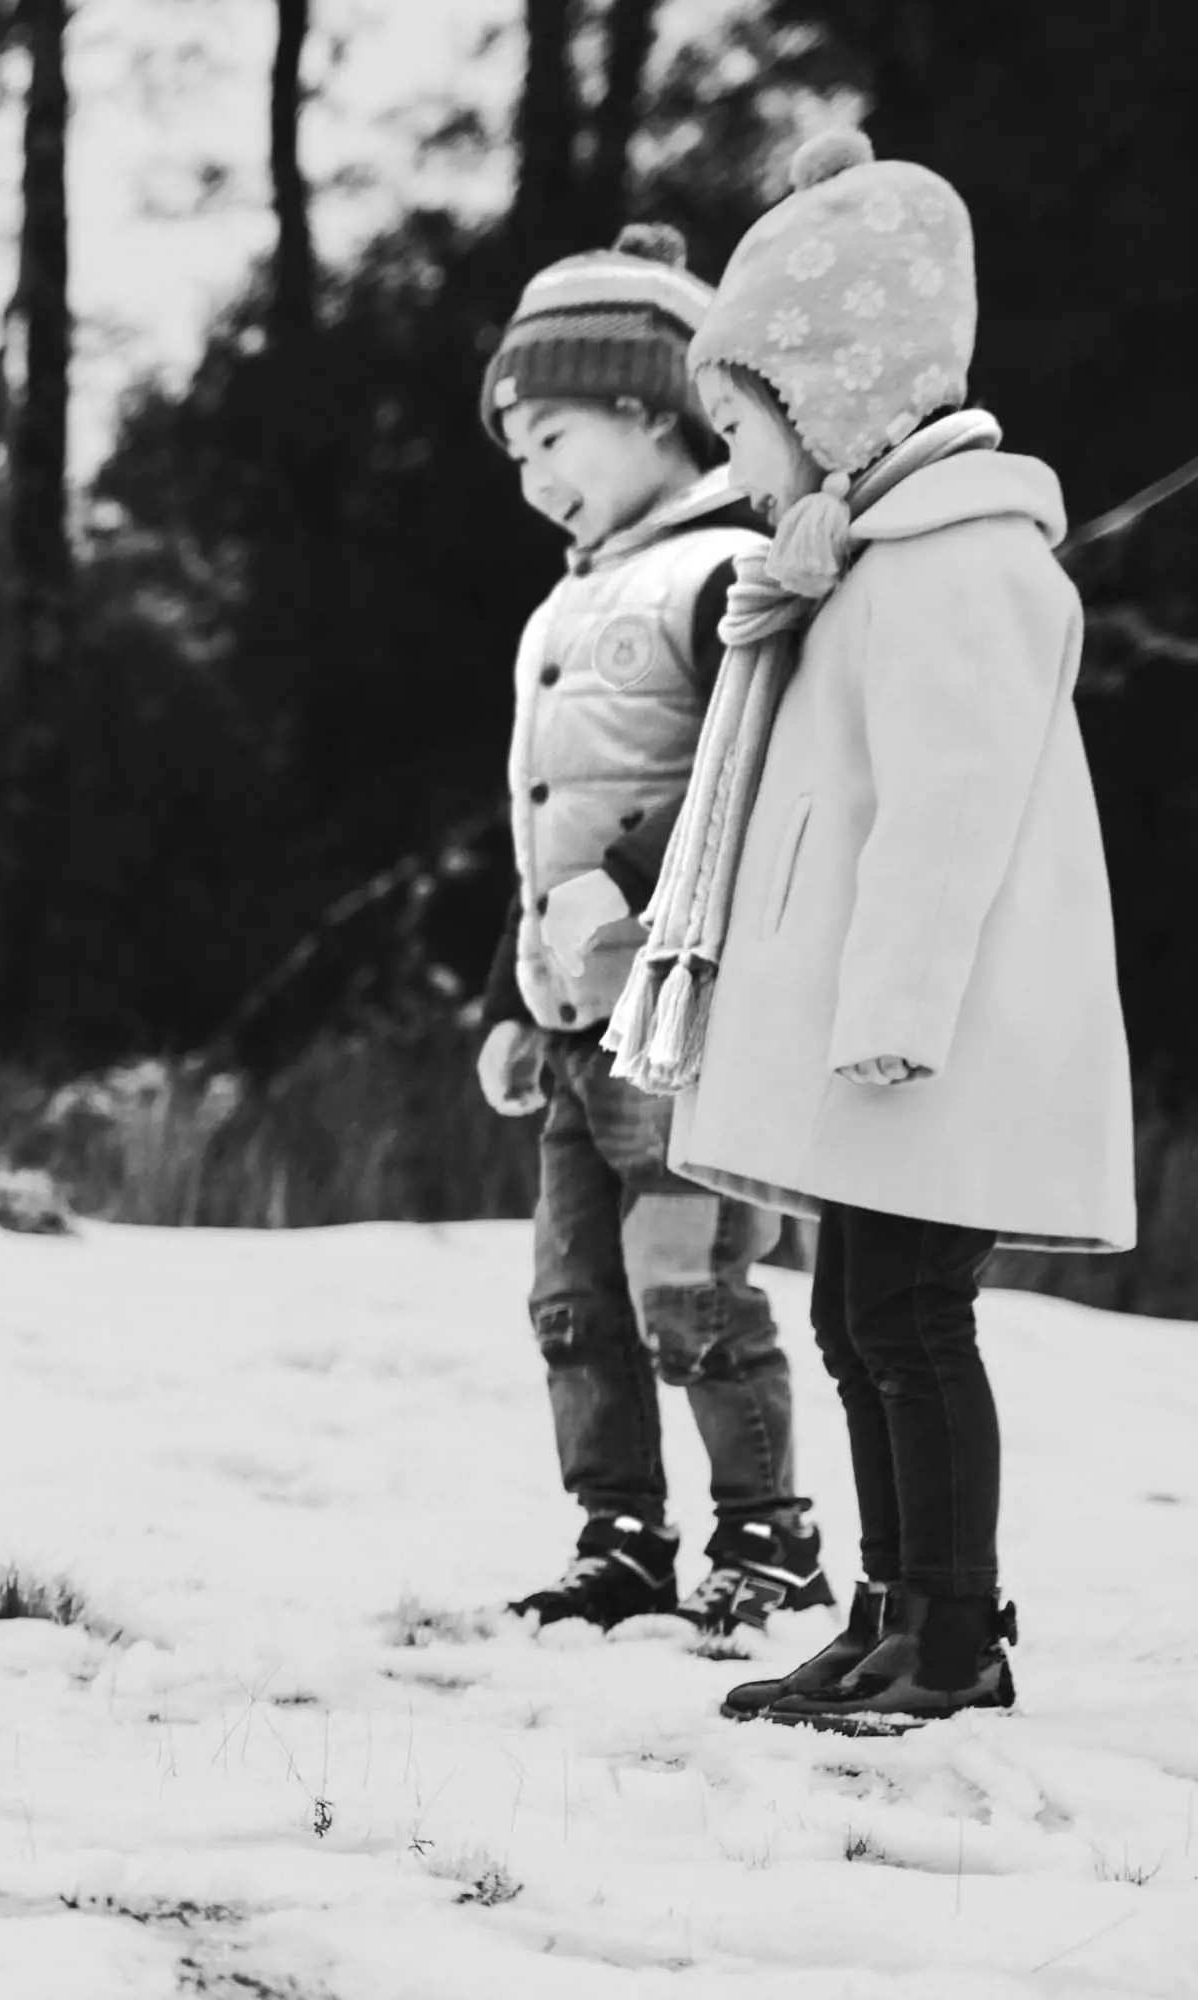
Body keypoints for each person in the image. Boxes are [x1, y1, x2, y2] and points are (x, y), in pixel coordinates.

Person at [611, 130, 1135, 1731]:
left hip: (926, 1039)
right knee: (857, 1314)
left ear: (831, 401)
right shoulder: (858, 569)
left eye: (748, 427)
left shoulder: (959, 570)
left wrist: (892, 1010)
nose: (744, 469)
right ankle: (893, 1607)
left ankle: (959, 1634)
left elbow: (947, 813)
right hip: (873, 1045)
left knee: (912, 1317)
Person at [472, 224, 827, 1638]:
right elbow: (543, 814)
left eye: (550, 435)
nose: (533, 476)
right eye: (513, 455)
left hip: (679, 1027)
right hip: (570, 1024)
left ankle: (769, 1531)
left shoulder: (722, 573)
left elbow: (745, 779)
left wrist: (627, 888)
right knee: (574, 1297)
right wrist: (511, 986)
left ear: (646, 407)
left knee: (688, 1283)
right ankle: (620, 1533)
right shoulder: (566, 602)